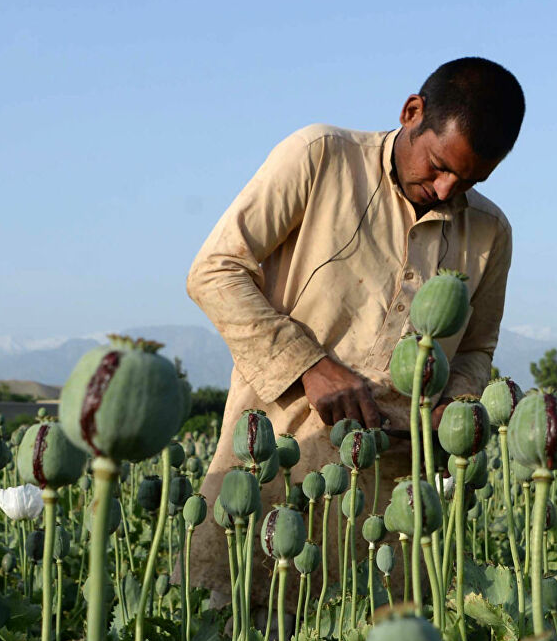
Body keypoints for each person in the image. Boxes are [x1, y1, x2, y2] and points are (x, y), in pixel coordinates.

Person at [185, 57, 524, 603]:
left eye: (469, 180)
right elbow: (215, 271)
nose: (444, 189)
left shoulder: (489, 231)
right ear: (412, 112)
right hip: (272, 461)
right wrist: (310, 366)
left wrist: (452, 406)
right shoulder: (321, 158)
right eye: (438, 166)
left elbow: (477, 348)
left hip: (393, 501)